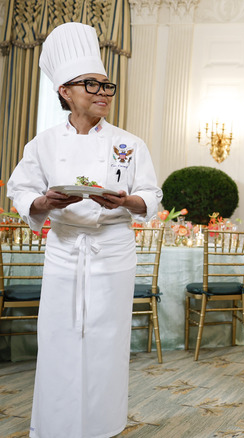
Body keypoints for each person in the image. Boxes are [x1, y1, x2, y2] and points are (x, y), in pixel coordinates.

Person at [6, 22, 162, 438]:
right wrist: (44, 203)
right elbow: (20, 189)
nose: (102, 93)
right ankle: (54, 426)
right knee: (58, 336)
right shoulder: (43, 143)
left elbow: (151, 194)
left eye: (106, 86)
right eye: (91, 85)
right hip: (64, 248)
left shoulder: (130, 143)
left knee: (107, 340)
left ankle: (102, 426)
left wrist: (126, 202)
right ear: (65, 91)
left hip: (112, 249)